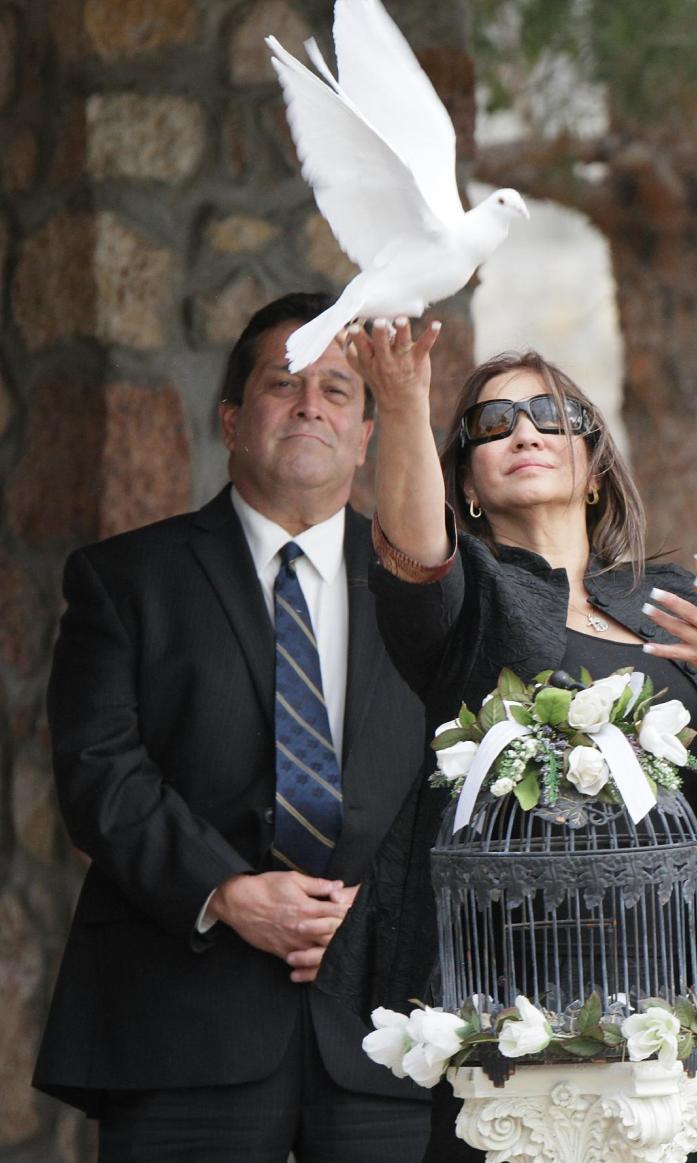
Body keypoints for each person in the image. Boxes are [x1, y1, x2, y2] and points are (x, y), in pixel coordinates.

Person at [319, 317, 697, 1162]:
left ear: (594, 467)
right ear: (470, 487)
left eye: (551, 415)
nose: (523, 430)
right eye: (492, 424)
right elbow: (416, 553)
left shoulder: (669, 598)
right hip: (525, 1056)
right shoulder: (468, 607)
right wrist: (405, 398)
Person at [32, 294, 431, 1162]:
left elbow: (457, 777)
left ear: (367, 433)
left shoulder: (424, 592)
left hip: (389, 1025)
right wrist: (226, 891)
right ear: (232, 418)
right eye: (283, 383)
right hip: (182, 1017)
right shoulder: (122, 578)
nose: (310, 405)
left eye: (337, 388)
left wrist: (380, 913)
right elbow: (100, 770)